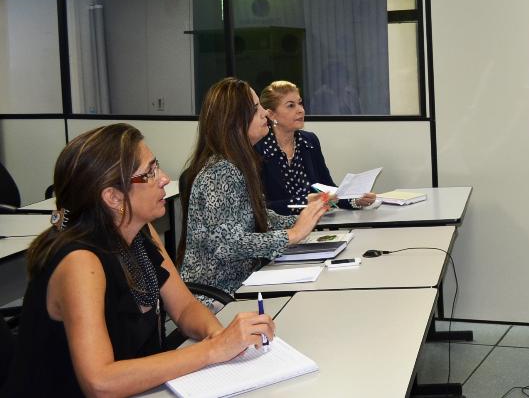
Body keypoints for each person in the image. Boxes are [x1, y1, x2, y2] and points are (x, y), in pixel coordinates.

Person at [2, 124, 276, 397]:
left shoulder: (138, 230)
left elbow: (184, 309)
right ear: (113, 197)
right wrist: (213, 350)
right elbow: (100, 383)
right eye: (150, 172)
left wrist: (218, 335)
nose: (164, 178)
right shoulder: (80, 261)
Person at [178, 78, 329, 306]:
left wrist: (300, 220)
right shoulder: (220, 172)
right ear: (235, 121)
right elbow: (227, 245)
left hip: (244, 285)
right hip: (217, 299)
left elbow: (258, 218)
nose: (264, 114)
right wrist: (293, 234)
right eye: (256, 108)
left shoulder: (239, 162)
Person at [257, 80, 377, 215]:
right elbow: (261, 207)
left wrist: (354, 199)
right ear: (272, 115)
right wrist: (304, 202)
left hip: (317, 224)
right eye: (291, 106)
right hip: (280, 230)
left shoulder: (309, 141)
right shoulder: (259, 148)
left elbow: (327, 189)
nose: (300, 110)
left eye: (300, 103)